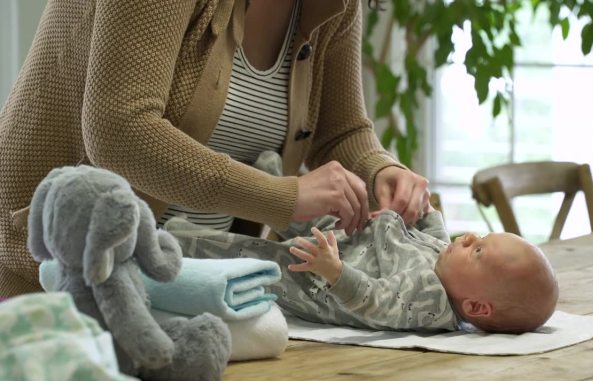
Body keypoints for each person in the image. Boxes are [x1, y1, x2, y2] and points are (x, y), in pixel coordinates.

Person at [0, 0, 429, 297]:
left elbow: (339, 131)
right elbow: (119, 129)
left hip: (178, 286)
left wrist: (379, 169)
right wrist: (283, 196)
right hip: (44, 278)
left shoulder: (332, 7)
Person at [165, 152, 559, 333]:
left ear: (474, 305)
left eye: (478, 250)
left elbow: (372, 299)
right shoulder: (445, 261)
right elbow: (434, 228)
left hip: (317, 279)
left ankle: (178, 240)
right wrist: (422, 205)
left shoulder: (430, 303)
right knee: (305, 212)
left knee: (252, 256)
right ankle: (272, 181)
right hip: (348, 238)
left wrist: (335, 272)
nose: (470, 237)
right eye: (480, 236)